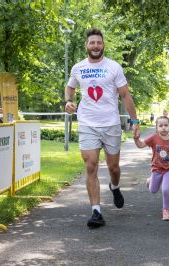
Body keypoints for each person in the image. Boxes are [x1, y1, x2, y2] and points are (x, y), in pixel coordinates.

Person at [64, 28, 140, 228]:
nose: (95, 46)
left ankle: (114, 186)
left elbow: (125, 95)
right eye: (92, 43)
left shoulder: (113, 67)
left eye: (99, 42)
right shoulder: (78, 68)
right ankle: (96, 212)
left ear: (103, 45)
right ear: (86, 46)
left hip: (111, 124)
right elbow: (70, 87)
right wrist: (68, 101)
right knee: (91, 165)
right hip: (88, 123)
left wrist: (135, 121)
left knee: (113, 168)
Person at [134, 116, 169, 221]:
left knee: (166, 189)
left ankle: (166, 210)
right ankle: (150, 181)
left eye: (166, 125)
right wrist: (136, 138)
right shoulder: (154, 138)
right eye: (160, 125)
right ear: (156, 127)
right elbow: (141, 145)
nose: (163, 128)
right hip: (157, 168)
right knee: (153, 190)